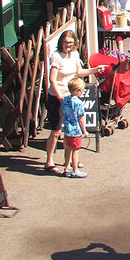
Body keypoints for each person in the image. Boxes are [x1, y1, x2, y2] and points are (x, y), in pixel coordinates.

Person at [44, 29, 107, 172]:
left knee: (69, 131)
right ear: (61, 42)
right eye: (66, 42)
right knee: (56, 130)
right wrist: (60, 97)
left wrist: (95, 69)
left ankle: (71, 162)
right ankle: (49, 161)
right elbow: (52, 80)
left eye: (71, 43)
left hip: (70, 97)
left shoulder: (75, 55)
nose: (68, 45)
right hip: (56, 96)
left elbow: (79, 72)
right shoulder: (56, 56)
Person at [60, 77, 88, 178]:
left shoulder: (66, 99)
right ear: (77, 91)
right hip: (76, 130)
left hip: (67, 129)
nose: (82, 92)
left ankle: (67, 168)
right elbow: (81, 117)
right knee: (75, 150)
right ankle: (75, 170)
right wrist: (85, 131)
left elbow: (61, 111)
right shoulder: (78, 102)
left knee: (67, 148)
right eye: (82, 90)